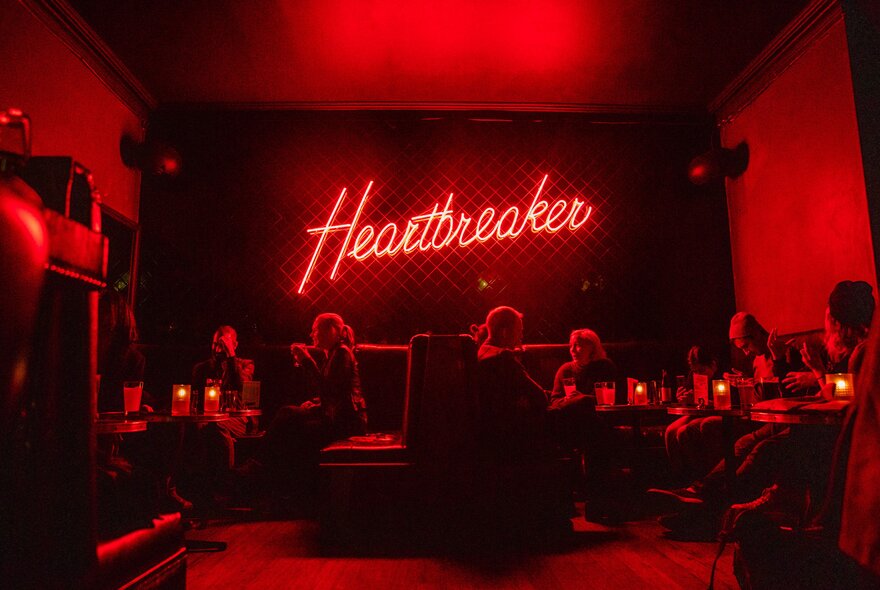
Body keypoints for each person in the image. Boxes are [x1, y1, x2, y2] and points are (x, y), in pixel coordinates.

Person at [654, 282, 875, 536]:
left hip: (835, 435)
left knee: (763, 449)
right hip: (809, 425)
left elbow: (846, 402)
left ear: (836, 321)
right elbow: (841, 395)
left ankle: (707, 510)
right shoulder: (848, 352)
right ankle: (700, 498)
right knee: (744, 444)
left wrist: (815, 373)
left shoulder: (860, 352)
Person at [240, 313, 366, 498]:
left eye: (316, 329)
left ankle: (258, 467)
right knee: (289, 420)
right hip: (339, 416)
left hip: (347, 422)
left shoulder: (342, 353)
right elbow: (335, 392)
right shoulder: (334, 353)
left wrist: (306, 360)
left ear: (331, 330)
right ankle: (267, 477)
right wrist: (316, 403)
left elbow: (331, 390)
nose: (311, 334)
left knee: (288, 417)